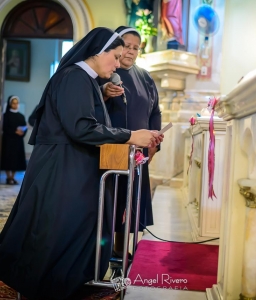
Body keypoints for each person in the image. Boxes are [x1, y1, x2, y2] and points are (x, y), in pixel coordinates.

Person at [0, 27, 163, 300]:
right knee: (58, 227)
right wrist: (131, 135)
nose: (115, 65)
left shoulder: (85, 79)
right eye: (115, 57)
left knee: (73, 226)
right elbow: (81, 127)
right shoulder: (74, 77)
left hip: (73, 164)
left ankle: (68, 282)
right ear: (97, 52)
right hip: (62, 167)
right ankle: (49, 284)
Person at [98, 26, 161, 258]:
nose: (131, 52)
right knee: (111, 199)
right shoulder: (104, 72)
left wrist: (154, 141)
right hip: (110, 150)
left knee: (131, 200)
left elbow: (155, 111)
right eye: (126, 45)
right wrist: (104, 91)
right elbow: (91, 104)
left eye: (136, 48)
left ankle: (121, 246)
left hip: (138, 151)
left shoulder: (145, 77)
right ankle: (104, 249)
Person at [0, 95, 27, 185]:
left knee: (16, 159)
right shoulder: (5, 115)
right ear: (10, 104)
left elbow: (24, 127)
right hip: (8, 140)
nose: (15, 105)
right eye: (13, 103)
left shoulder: (21, 116)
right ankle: (9, 177)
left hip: (18, 141)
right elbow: (4, 127)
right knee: (8, 158)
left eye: (17, 103)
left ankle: (12, 177)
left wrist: (22, 132)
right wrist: (15, 131)